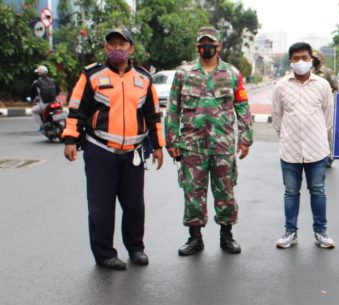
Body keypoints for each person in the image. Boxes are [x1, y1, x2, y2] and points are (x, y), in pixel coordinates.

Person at [62, 28, 165, 270]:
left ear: (131, 49)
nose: (117, 48)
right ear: (106, 48)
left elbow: (153, 115)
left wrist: (159, 146)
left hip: (134, 152)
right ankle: (104, 254)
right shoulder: (91, 75)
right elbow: (77, 109)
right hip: (100, 150)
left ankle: (136, 248)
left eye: (122, 44)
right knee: (101, 206)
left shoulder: (143, 79)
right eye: (112, 44)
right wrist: (70, 139)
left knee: (134, 205)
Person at [165, 27, 253, 256]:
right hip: (192, 144)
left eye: (210, 43)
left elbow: (242, 107)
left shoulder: (232, 74)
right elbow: (173, 108)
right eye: (203, 43)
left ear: (219, 46)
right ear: (197, 47)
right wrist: (171, 140)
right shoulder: (184, 74)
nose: (207, 47)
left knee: (225, 192)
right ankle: (195, 238)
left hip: (222, 145)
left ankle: (227, 236)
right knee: (193, 192)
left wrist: (245, 139)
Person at [272, 42, 335, 249]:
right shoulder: (281, 86)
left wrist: (316, 136)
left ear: (311, 60)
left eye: (305, 58)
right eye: (296, 58)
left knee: (318, 191)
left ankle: (321, 232)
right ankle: (290, 232)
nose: (301, 62)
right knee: (291, 192)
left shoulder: (322, 85)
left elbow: (328, 116)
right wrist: (290, 136)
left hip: (317, 150)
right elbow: (277, 118)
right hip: (290, 150)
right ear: (290, 61)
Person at [311, 50, 338, 168]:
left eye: (316, 58)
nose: (314, 60)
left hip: (326, 106)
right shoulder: (310, 72)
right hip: (312, 107)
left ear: (321, 59)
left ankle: (328, 156)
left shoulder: (328, 72)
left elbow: (336, 87)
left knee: (327, 132)